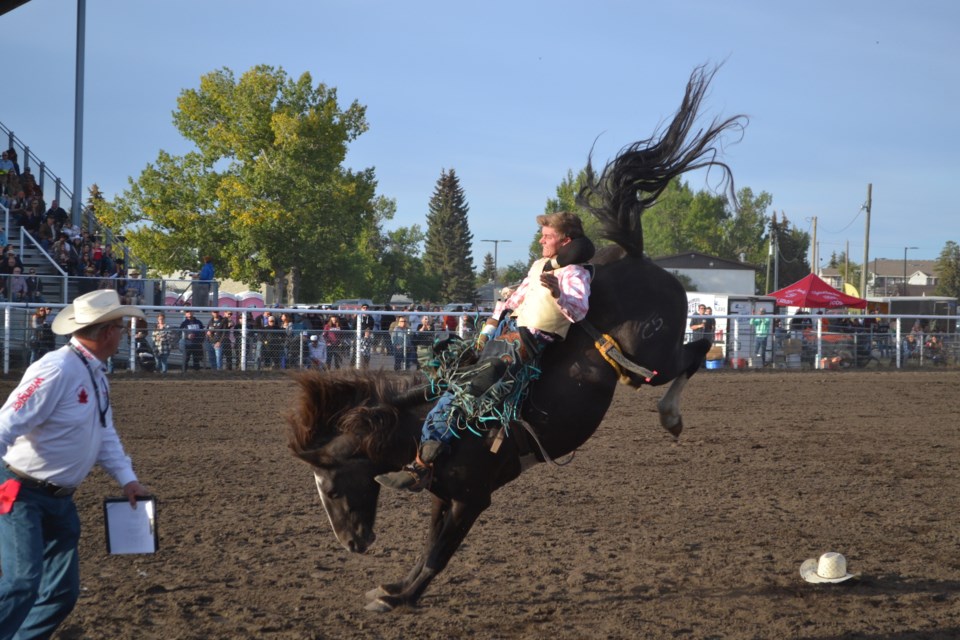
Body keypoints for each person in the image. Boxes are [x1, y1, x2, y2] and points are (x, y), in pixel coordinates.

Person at [376, 212, 591, 491]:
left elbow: (579, 310)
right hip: (504, 335)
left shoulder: (576, 274)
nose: (541, 240)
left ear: (566, 241)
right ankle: (401, 404)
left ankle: (421, 467)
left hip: (527, 342)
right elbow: (510, 302)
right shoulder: (540, 266)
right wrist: (486, 333)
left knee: (466, 387)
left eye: (547, 236)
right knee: (449, 368)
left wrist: (558, 294)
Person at [0, 289, 150, 638]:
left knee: (61, 593)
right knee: (23, 582)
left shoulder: (92, 373)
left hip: (57, 499)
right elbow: (6, 424)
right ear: (108, 332)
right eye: (121, 327)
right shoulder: (56, 370)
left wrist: (128, 480)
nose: (123, 334)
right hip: (20, 492)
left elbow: (104, 433)